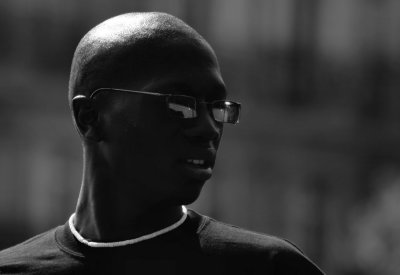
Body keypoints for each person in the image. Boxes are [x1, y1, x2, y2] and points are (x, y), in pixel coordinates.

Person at [0, 12, 324, 274]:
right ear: (90, 117)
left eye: (216, 108)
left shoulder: (268, 267)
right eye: (179, 104)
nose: (208, 129)